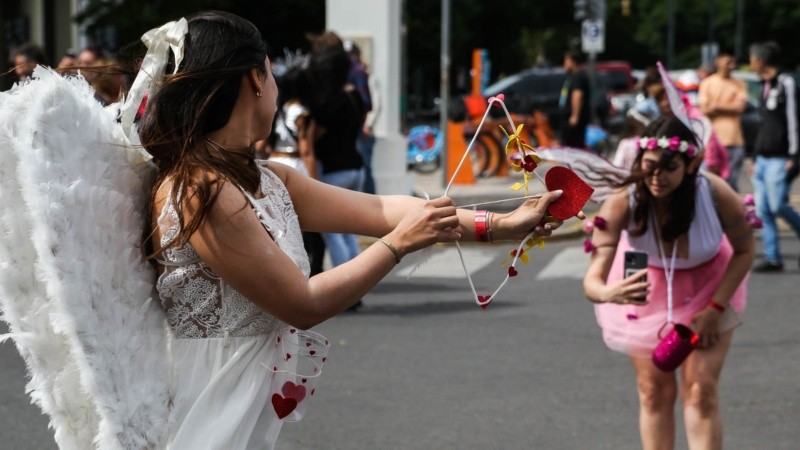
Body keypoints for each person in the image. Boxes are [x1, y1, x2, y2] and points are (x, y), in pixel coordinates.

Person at [137, 11, 568, 448]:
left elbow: (382, 209)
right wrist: (398, 246)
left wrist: (504, 224)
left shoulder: (266, 178)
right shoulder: (197, 189)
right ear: (254, 78)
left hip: (249, 401)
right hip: (210, 403)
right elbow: (302, 304)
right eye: (272, 72)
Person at [583, 115, 753, 450]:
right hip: (647, 286)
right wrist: (607, 292)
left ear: (690, 166)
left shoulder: (715, 192)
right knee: (653, 390)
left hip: (711, 289)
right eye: (648, 166)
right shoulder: (623, 200)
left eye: (668, 167)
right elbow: (593, 277)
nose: (656, 177)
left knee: (700, 390)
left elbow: (745, 251)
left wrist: (715, 308)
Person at [269, 63, 326, 276]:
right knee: (306, 226)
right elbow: (307, 151)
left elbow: (262, 146)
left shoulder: (277, 111)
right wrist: (317, 183)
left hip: (275, 164)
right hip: (295, 167)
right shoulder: (303, 114)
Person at [748, 41, 800, 272]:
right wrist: (755, 157)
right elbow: (764, 125)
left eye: (751, 59)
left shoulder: (786, 82)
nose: (750, 63)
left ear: (760, 60)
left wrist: (794, 154)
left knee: (778, 204)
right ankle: (773, 257)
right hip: (763, 157)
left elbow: (793, 119)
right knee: (764, 210)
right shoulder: (764, 85)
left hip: (781, 156)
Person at [698, 50, 749, 190]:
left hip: (734, 140)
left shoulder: (739, 83)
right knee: (711, 184)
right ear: (718, 62)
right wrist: (728, 106)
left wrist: (716, 106)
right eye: (728, 62)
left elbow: (740, 108)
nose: (731, 66)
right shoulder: (707, 83)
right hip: (712, 141)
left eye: (733, 63)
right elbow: (705, 110)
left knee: (730, 184)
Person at [559, 50, 591, 148]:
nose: (564, 64)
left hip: (573, 119)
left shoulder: (578, 77)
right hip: (567, 118)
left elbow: (577, 96)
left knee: (573, 146)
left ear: (573, 61)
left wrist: (575, 116)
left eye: (566, 61)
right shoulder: (571, 77)